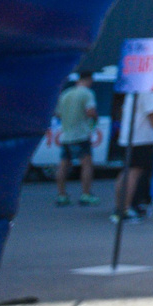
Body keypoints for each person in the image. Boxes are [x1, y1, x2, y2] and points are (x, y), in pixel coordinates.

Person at [111, 80, 153, 222]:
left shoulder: (136, 88)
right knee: (133, 173)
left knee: (127, 172)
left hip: (129, 137)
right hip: (140, 138)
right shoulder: (149, 90)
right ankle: (125, 209)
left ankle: (120, 208)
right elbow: (152, 113)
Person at [53, 71, 99, 206]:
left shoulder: (66, 93)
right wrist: (95, 119)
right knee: (86, 164)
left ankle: (62, 195)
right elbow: (90, 111)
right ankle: (86, 194)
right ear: (89, 79)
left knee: (63, 165)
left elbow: (58, 114)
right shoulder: (87, 93)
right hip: (81, 134)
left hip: (66, 135)